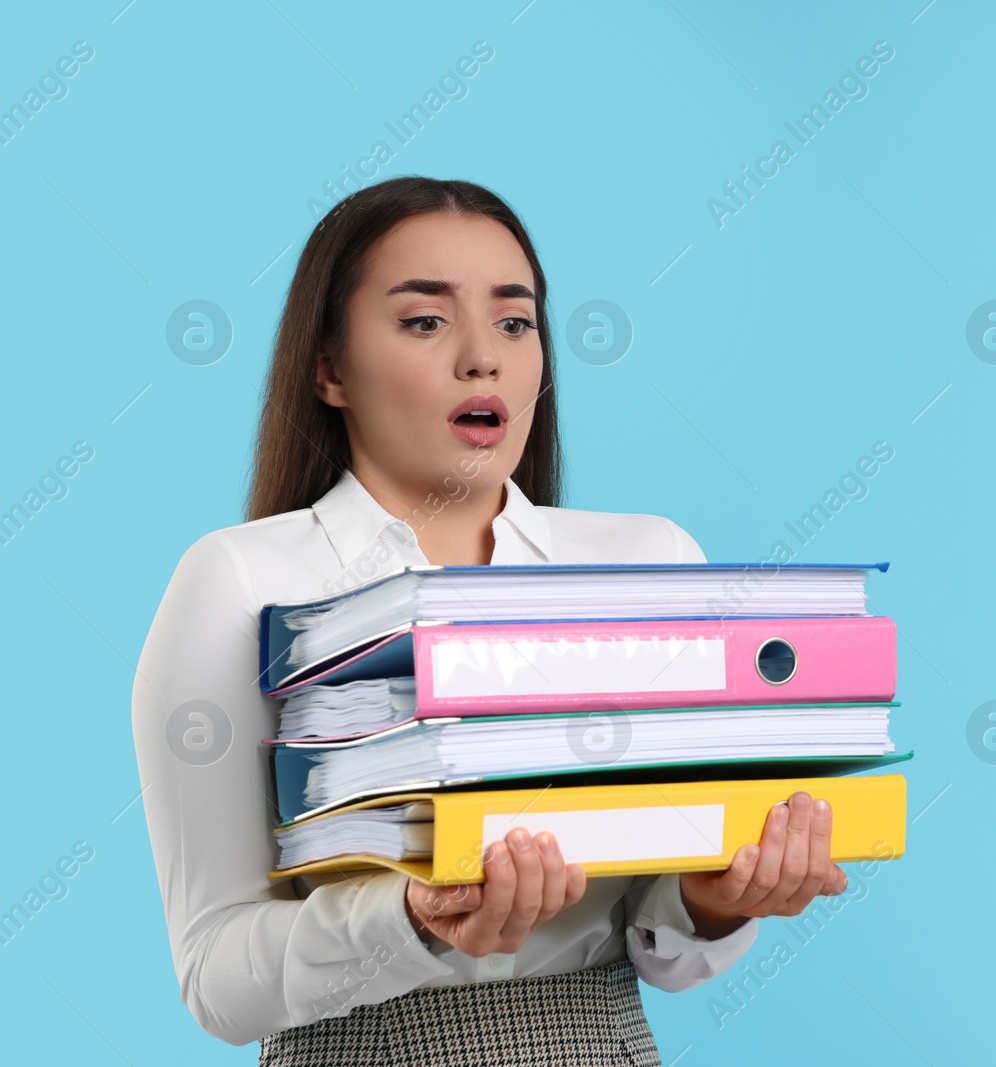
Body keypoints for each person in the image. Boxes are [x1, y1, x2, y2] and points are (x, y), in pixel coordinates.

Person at [129, 176, 850, 1066]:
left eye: (516, 322)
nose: (485, 358)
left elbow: (661, 945)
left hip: (603, 1044)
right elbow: (216, 977)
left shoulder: (648, 559)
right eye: (425, 321)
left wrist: (719, 896)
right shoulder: (239, 579)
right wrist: (411, 918)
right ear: (330, 368)